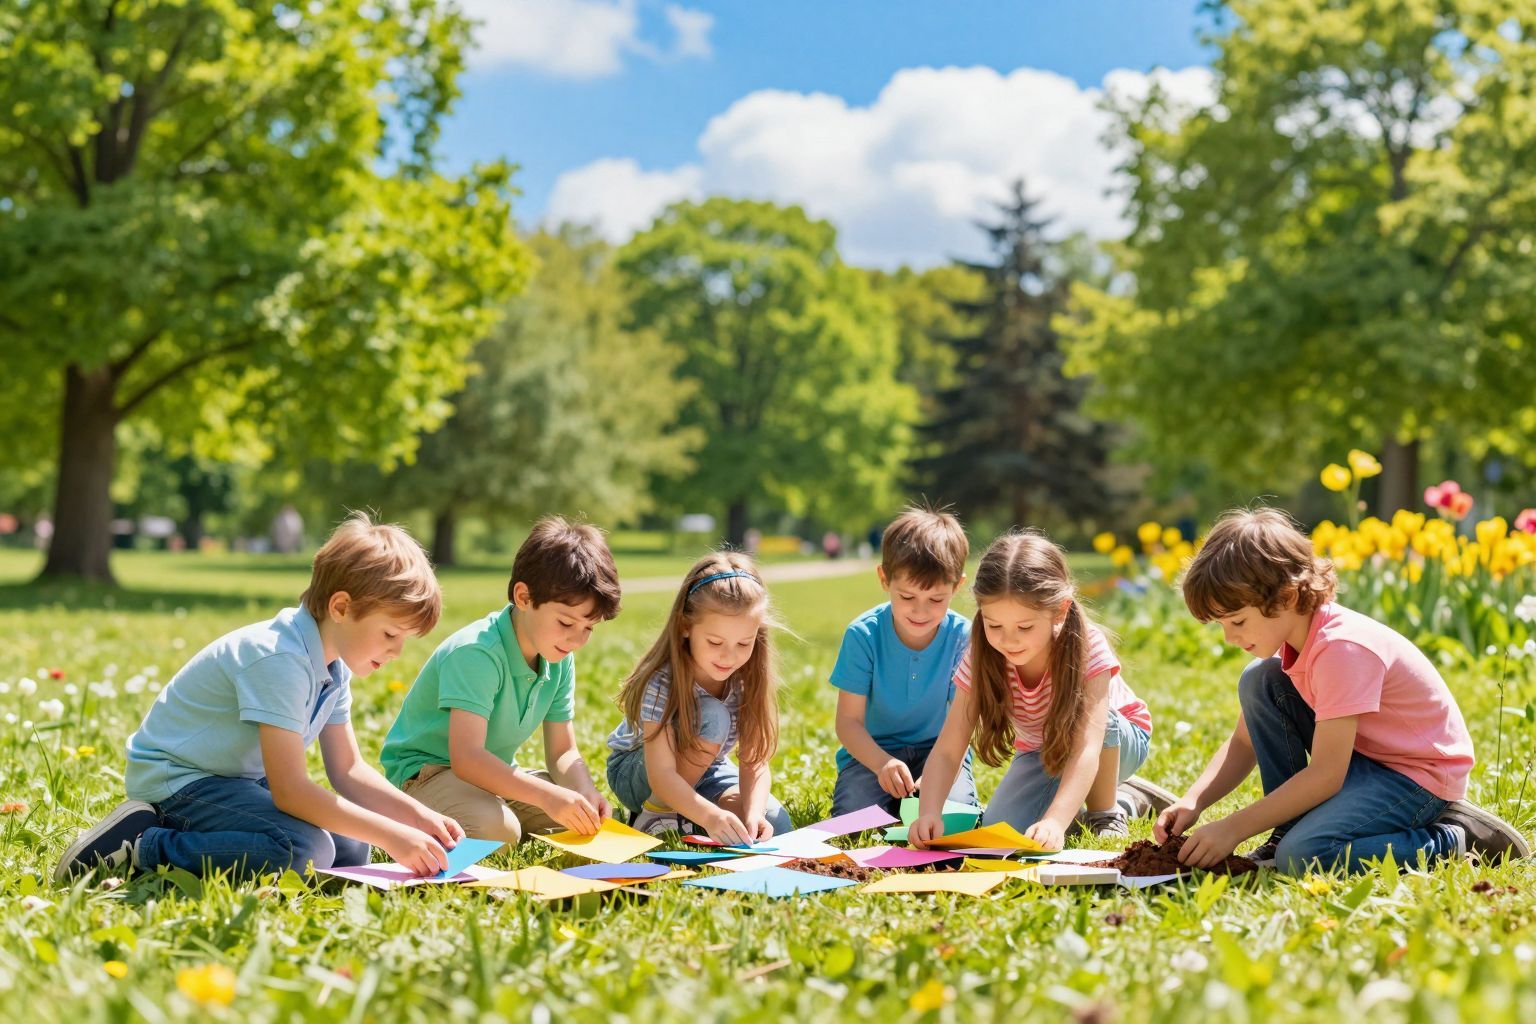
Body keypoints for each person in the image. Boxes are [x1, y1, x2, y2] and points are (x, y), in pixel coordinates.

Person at [55, 513, 461, 882]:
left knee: (353, 848)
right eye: (390, 634)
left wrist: (417, 817)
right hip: (178, 782)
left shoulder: (331, 665)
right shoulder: (279, 658)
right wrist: (393, 833)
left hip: (231, 780)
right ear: (341, 607)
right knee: (306, 849)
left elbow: (348, 770)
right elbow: (290, 791)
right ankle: (143, 844)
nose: (396, 652)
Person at [1157, 507, 1528, 873]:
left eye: (1237, 621)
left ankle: (1455, 838)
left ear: (1285, 598)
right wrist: (1193, 801)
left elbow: (1326, 774)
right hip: (1367, 760)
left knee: (1304, 857)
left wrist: (1234, 827)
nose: (1229, 637)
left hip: (1417, 776)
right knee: (1261, 680)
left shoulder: (1341, 649)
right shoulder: (1297, 642)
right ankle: (1287, 831)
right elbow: (1243, 743)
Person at [912, 530, 1172, 850]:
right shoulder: (981, 654)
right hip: (1042, 749)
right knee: (1003, 830)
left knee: (1101, 727)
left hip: (1115, 739)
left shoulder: (1086, 646)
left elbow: (1087, 746)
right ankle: (1130, 798)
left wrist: (1055, 822)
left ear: (1059, 610)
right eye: (995, 626)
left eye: (1024, 627)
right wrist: (928, 812)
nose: (1009, 640)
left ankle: (1106, 812)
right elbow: (950, 747)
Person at [381, 517, 620, 843]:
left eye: (588, 628)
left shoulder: (558, 655)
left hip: (489, 777)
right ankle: (410, 814)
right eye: (565, 622)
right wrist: (548, 796)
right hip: (427, 775)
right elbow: (467, 759)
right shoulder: (476, 652)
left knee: (589, 822)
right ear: (523, 597)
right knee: (500, 831)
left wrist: (584, 790)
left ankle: (490, 809)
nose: (576, 639)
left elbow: (563, 750)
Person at [606, 553, 792, 843]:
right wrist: (710, 815)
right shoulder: (662, 679)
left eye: (744, 642)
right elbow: (662, 774)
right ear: (685, 626)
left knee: (774, 824)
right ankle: (655, 815)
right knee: (713, 715)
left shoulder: (747, 679)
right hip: (641, 773)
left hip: (708, 769)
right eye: (715, 642)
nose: (729, 656)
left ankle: (686, 818)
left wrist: (753, 813)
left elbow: (754, 762)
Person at [829, 506, 977, 817]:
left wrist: (936, 776)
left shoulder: (964, 637)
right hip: (873, 754)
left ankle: (914, 802)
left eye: (936, 600)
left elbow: (962, 724)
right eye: (907, 597)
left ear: (957, 586)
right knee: (853, 818)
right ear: (884, 579)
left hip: (942, 752)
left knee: (954, 815)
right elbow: (848, 722)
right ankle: (897, 801)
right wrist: (882, 763)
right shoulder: (863, 635)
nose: (920, 612)